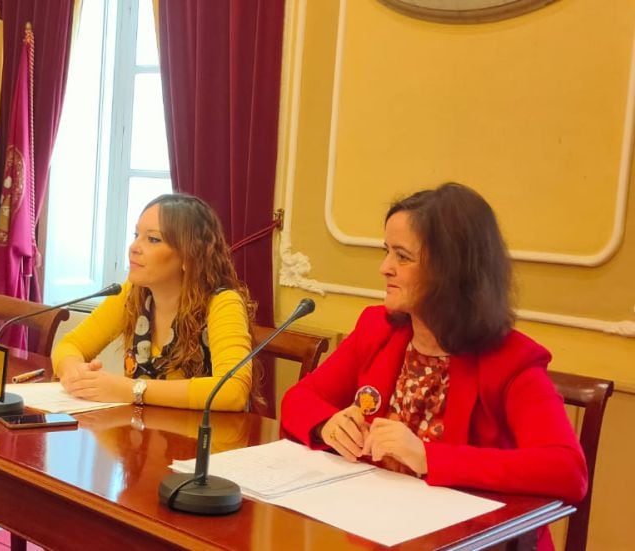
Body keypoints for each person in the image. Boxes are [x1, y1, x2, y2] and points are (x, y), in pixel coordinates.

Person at [280, 183, 586, 550]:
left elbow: (568, 470)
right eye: (386, 251)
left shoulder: (511, 360)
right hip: (378, 528)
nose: (384, 268)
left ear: (450, 270)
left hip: (476, 542)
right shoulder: (376, 329)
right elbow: (299, 399)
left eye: (402, 257)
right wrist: (326, 424)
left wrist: (428, 457)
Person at [52, 193, 255, 410]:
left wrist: (131, 390)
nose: (134, 247)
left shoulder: (223, 303)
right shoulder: (133, 294)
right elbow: (70, 345)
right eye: (136, 234)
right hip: (142, 435)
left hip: (204, 438)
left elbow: (233, 391)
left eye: (153, 239)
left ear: (189, 256)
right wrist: (74, 372)